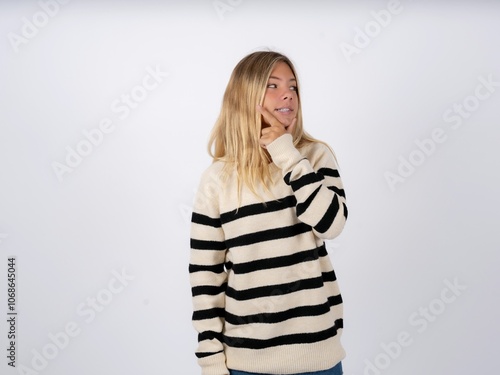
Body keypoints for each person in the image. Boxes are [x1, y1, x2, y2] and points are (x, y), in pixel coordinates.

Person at [189, 50, 348, 375]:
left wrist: (285, 152)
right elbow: (206, 279)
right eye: (272, 86)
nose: (287, 93)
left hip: (317, 356)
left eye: (292, 86)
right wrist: (211, 361)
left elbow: (332, 223)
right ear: (246, 96)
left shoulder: (313, 157)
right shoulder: (217, 179)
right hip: (246, 364)